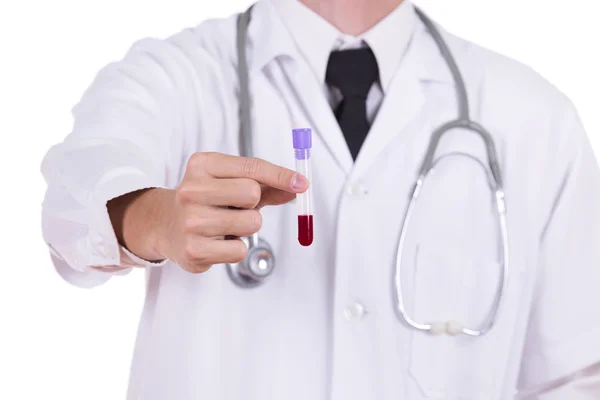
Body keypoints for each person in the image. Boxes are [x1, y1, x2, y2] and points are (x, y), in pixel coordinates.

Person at [40, 0, 600, 398]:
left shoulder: (533, 118)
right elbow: (73, 197)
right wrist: (154, 218)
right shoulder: (177, 75)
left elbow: (576, 375)